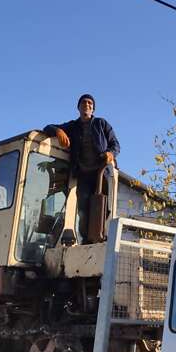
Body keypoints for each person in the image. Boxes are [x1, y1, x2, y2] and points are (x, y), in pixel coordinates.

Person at [44, 94, 120, 242]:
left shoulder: (101, 124)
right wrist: (58, 131)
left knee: (104, 206)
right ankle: (86, 239)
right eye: (84, 102)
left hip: (101, 171)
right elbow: (47, 127)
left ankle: (100, 236)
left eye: (90, 103)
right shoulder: (73, 126)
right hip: (84, 174)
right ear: (78, 107)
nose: (87, 105)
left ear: (93, 108)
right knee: (83, 208)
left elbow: (115, 144)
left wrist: (110, 153)